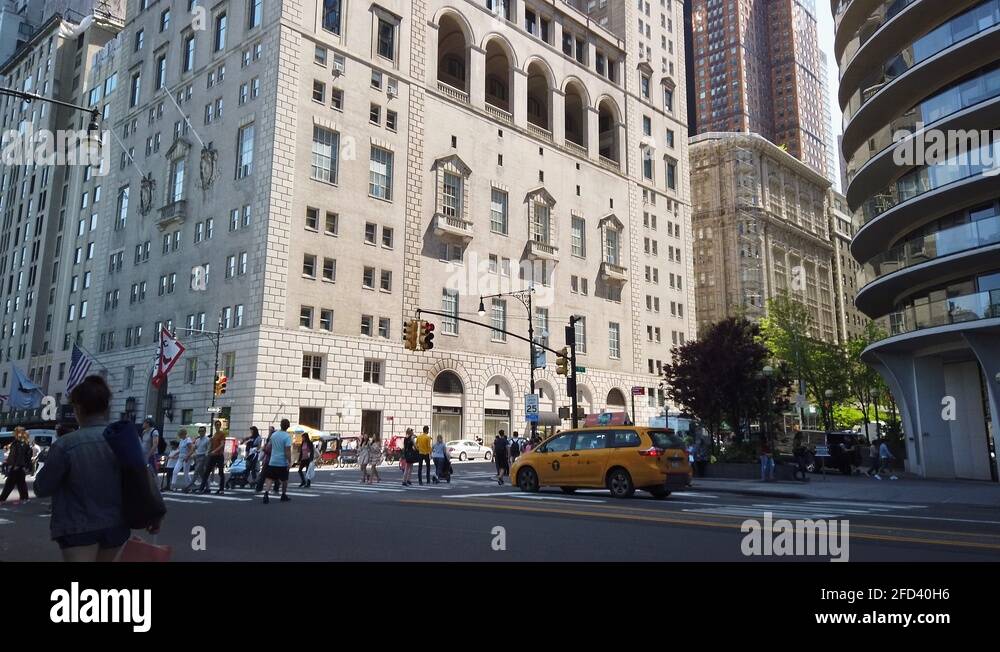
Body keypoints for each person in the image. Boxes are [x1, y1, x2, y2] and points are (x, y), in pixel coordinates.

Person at [33, 375, 136, 562]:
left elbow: (42, 487)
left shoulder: (66, 445)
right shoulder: (123, 441)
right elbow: (141, 478)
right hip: (116, 525)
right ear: (106, 408)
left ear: (78, 408)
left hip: (77, 526)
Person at [262, 419, 292, 503]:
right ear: (288, 426)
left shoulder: (274, 435)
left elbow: (269, 446)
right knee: (284, 479)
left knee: (269, 478)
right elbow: (287, 450)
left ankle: (266, 493)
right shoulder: (287, 436)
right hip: (282, 461)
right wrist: (289, 461)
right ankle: (283, 495)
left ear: (280, 425)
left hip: (273, 460)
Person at [0, 427, 32, 503]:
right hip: (18, 466)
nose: (14, 433)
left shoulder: (21, 443)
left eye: (15, 432)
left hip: (17, 466)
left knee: (10, 483)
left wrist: (16, 465)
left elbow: (19, 455)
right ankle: (24, 498)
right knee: (21, 483)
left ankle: (2, 499)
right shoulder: (19, 442)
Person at [198, 420, 227, 494]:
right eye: (216, 424)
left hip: (219, 455)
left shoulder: (222, 434)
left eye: (218, 424)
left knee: (221, 472)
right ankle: (201, 488)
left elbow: (222, 444)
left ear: (220, 426)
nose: (217, 426)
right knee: (207, 472)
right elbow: (211, 445)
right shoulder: (214, 435)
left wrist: (215, 451)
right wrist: (210, 451)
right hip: (213, 456)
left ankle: (221, 489)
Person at [183, 426, 209, 492]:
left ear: (205, 432)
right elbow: (193, 449)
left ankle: (189, 486)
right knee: (201, 473)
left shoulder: (207, 439)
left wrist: (206, 458)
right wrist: (187, 456)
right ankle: (207, 487)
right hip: (197, 457)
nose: (201, 432)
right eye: (200, 431)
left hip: (203, 457)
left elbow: (208, 449)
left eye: (202, 431)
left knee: (196, 471)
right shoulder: (197, 440)